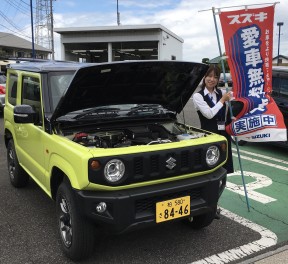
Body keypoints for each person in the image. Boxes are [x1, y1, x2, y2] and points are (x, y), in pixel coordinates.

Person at [192, 64, 234, 173]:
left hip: (223, 135)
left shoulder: (221, 93)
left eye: (215, 77)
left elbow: (238, 98)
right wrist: (223, 100)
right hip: (208, 135)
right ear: (204, 77)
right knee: (210, 167)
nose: (212, 79)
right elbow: (209, 114)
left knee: (224, 167)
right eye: (209, 76)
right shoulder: (198, 96)